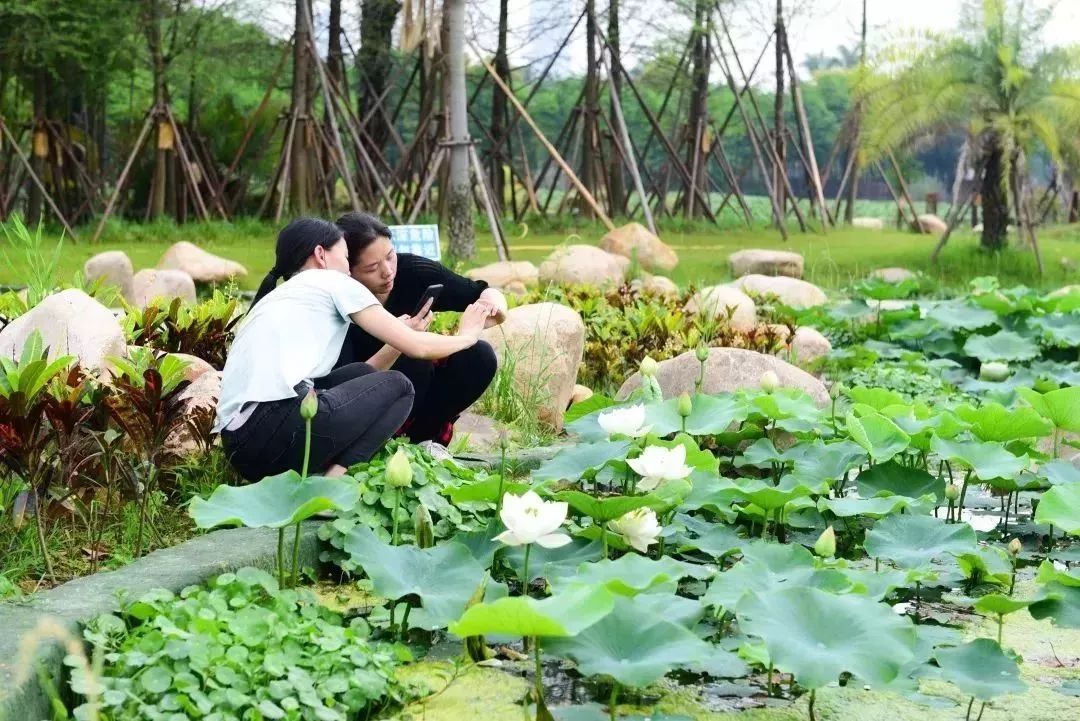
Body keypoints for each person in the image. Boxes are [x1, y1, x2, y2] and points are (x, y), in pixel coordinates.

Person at [214, 217, 490, 480]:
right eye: (346, 258)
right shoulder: (333, 282)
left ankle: (320, 474)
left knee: (360, 372)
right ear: (321, 255)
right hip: (276, 431)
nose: (348, 269)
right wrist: (468, 336)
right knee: (399, 386)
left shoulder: (280, 297)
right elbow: (417, 347)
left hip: (240, 448)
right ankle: (333, 482)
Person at [334, 212, 508, 455]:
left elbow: (483, 292)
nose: (387, 272)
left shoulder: (411, 271)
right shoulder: (338, 301)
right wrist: (400, 340)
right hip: (358, 402)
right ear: (348, 271)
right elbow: (343, 387)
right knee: (413, 359)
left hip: (417, 395)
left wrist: (492, 306)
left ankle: (427, 443)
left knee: (478, 355)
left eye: (390, 256)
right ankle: (379, 447)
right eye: (372, 268)